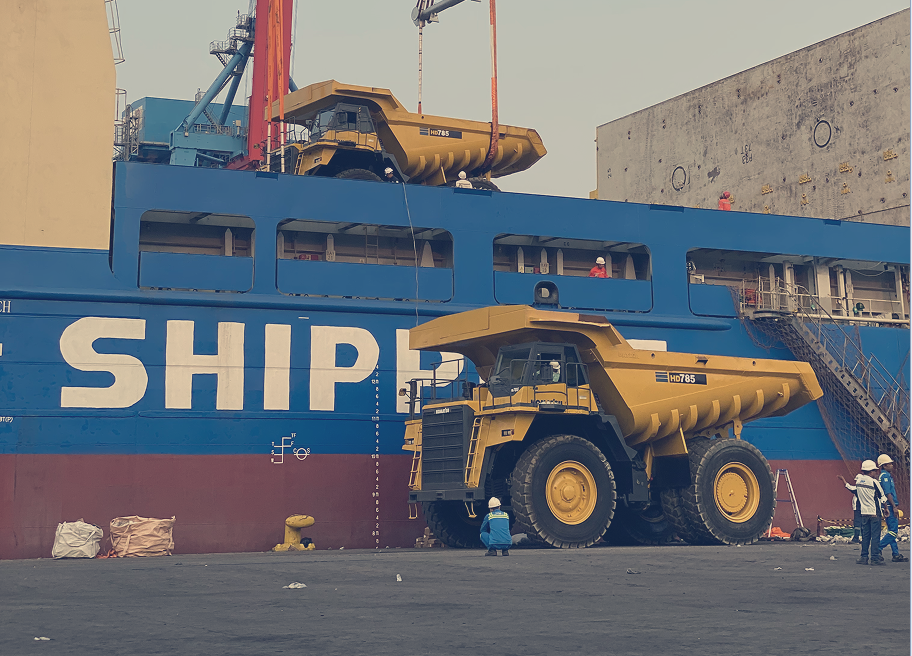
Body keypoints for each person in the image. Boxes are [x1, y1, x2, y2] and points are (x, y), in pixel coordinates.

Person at [850, 460, 888, 565]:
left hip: (864, 513)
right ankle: (875, 558)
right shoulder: (874, 482)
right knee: (875, 536)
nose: (876, 473)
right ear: (870, 472)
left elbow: (854, 490)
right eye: (875, 471)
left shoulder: (858, 481)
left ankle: (864, 557)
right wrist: (886, 508)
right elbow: (882, 497)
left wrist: (845, 483)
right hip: (874, 513)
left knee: (866, 536)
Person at [877, 454, 907, 562]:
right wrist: (894, 506)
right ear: (884, 466)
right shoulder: (885, 476)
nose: (892, 465)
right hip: (889, 506)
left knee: (891, 531)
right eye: (889, 464)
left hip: (888, 505)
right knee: (894, 531)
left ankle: (895, 553)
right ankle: (878, 548)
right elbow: (888, 493)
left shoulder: (885, 476)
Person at [837, 471, 863, 543]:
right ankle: (865, 539)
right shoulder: (864, 489)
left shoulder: (858, 489)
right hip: (863, 509)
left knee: (857, 523)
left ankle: (856, 538)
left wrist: (843, 479)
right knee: (863, 523)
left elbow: (849, 487)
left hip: (858, 509)